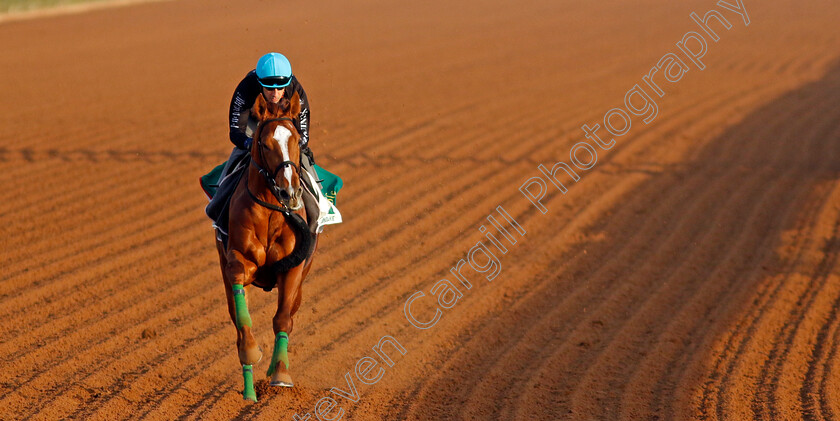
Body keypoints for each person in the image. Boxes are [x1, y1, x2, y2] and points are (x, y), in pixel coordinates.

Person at [206, 52, 320, 236]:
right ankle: (219, 206)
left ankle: (319, 208)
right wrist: (252, 144)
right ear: (259, 84)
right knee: (237, 156)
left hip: (285, 125)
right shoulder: (245, 88)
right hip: (254, 125)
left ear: (288, 84)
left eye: (280, 88)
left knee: (302, 158)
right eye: (269, 89)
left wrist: (291, 150)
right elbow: (236, 132)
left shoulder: (296, 91)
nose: (275, 94)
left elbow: (303, 135)